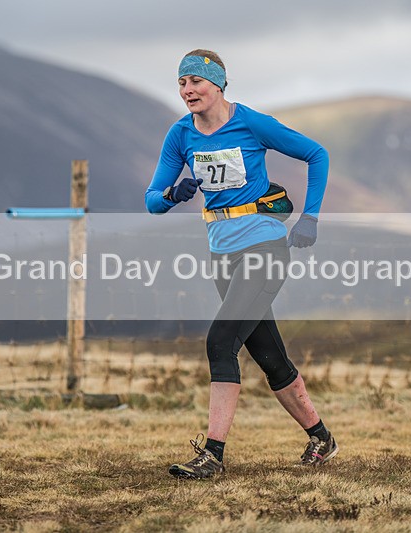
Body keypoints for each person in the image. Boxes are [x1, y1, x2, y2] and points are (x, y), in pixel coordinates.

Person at [145, 49, 337, 479]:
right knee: (268, 355)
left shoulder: (250, 123)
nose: (188, 90)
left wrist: (310, 217)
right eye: (181, 83)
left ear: (218, 84)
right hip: (221, 252)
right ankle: (322, 438)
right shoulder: (180, 135)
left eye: (196, 81)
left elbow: (317, 154)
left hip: (264, 245)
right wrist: (173, 196)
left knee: (220, 340)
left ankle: (213, 455)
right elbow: (151, 199)